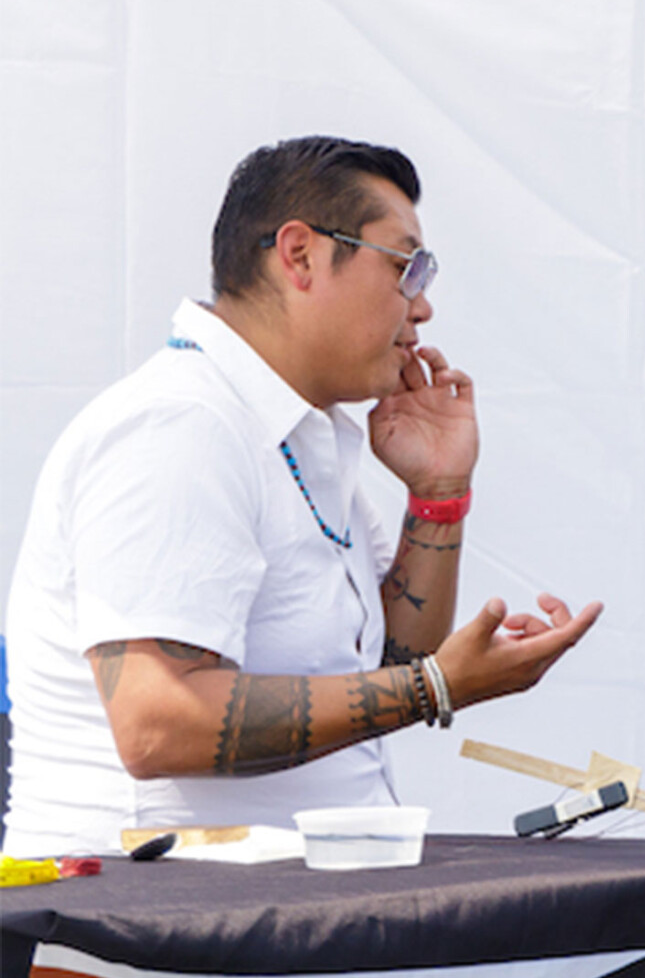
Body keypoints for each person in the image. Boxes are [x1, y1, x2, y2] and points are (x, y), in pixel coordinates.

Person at [1, 137, 602, 858]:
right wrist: (437, 687)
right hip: (148, 931)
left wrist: (438, 496)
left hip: (253, 919)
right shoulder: (182, 426)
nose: (424, 306)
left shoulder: (295, 433)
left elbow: (390, 662)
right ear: (301, 256)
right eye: (406, 266)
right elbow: (159, 722)